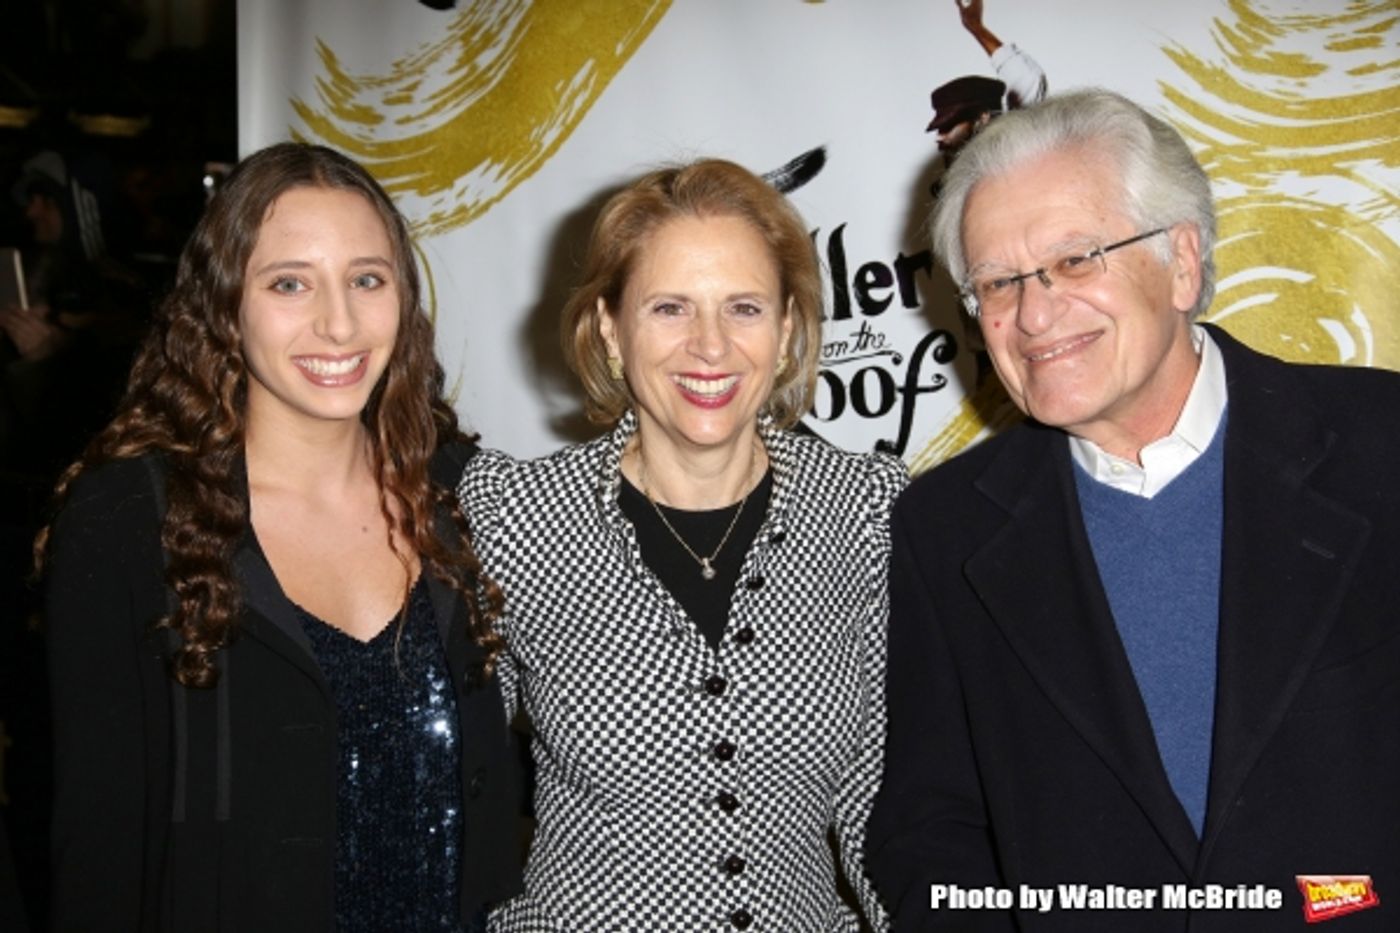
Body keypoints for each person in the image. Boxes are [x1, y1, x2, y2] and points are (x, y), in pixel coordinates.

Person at [867, 88, 1400, 931]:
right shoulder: (946, 531)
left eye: (1076, 259)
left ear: (1183, 262)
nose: (1034, 314)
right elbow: (933, 831)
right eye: (997, 282)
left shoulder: (1382, 449)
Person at [40, 142, 521, 932]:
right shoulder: (129, 519)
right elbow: (97, 840)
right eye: (290, 283)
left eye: (367, 279)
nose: (338, 323)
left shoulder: (462, 493)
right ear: (224, 302)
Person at [460, 159, 907, 931]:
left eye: (744, 307)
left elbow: (884, 801)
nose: (710, 346)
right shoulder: (513, 516)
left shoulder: (863, 508)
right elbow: (455, 792)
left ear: (789, 326)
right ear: (609, 325)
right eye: (669, 308)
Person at [925, 0, 1046, 159]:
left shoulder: (1009, 152)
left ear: (983, 118)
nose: (939, 137)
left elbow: (1026, 78)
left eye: (948, 127)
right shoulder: (954, 169)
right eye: (941, 129)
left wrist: (976, 27)